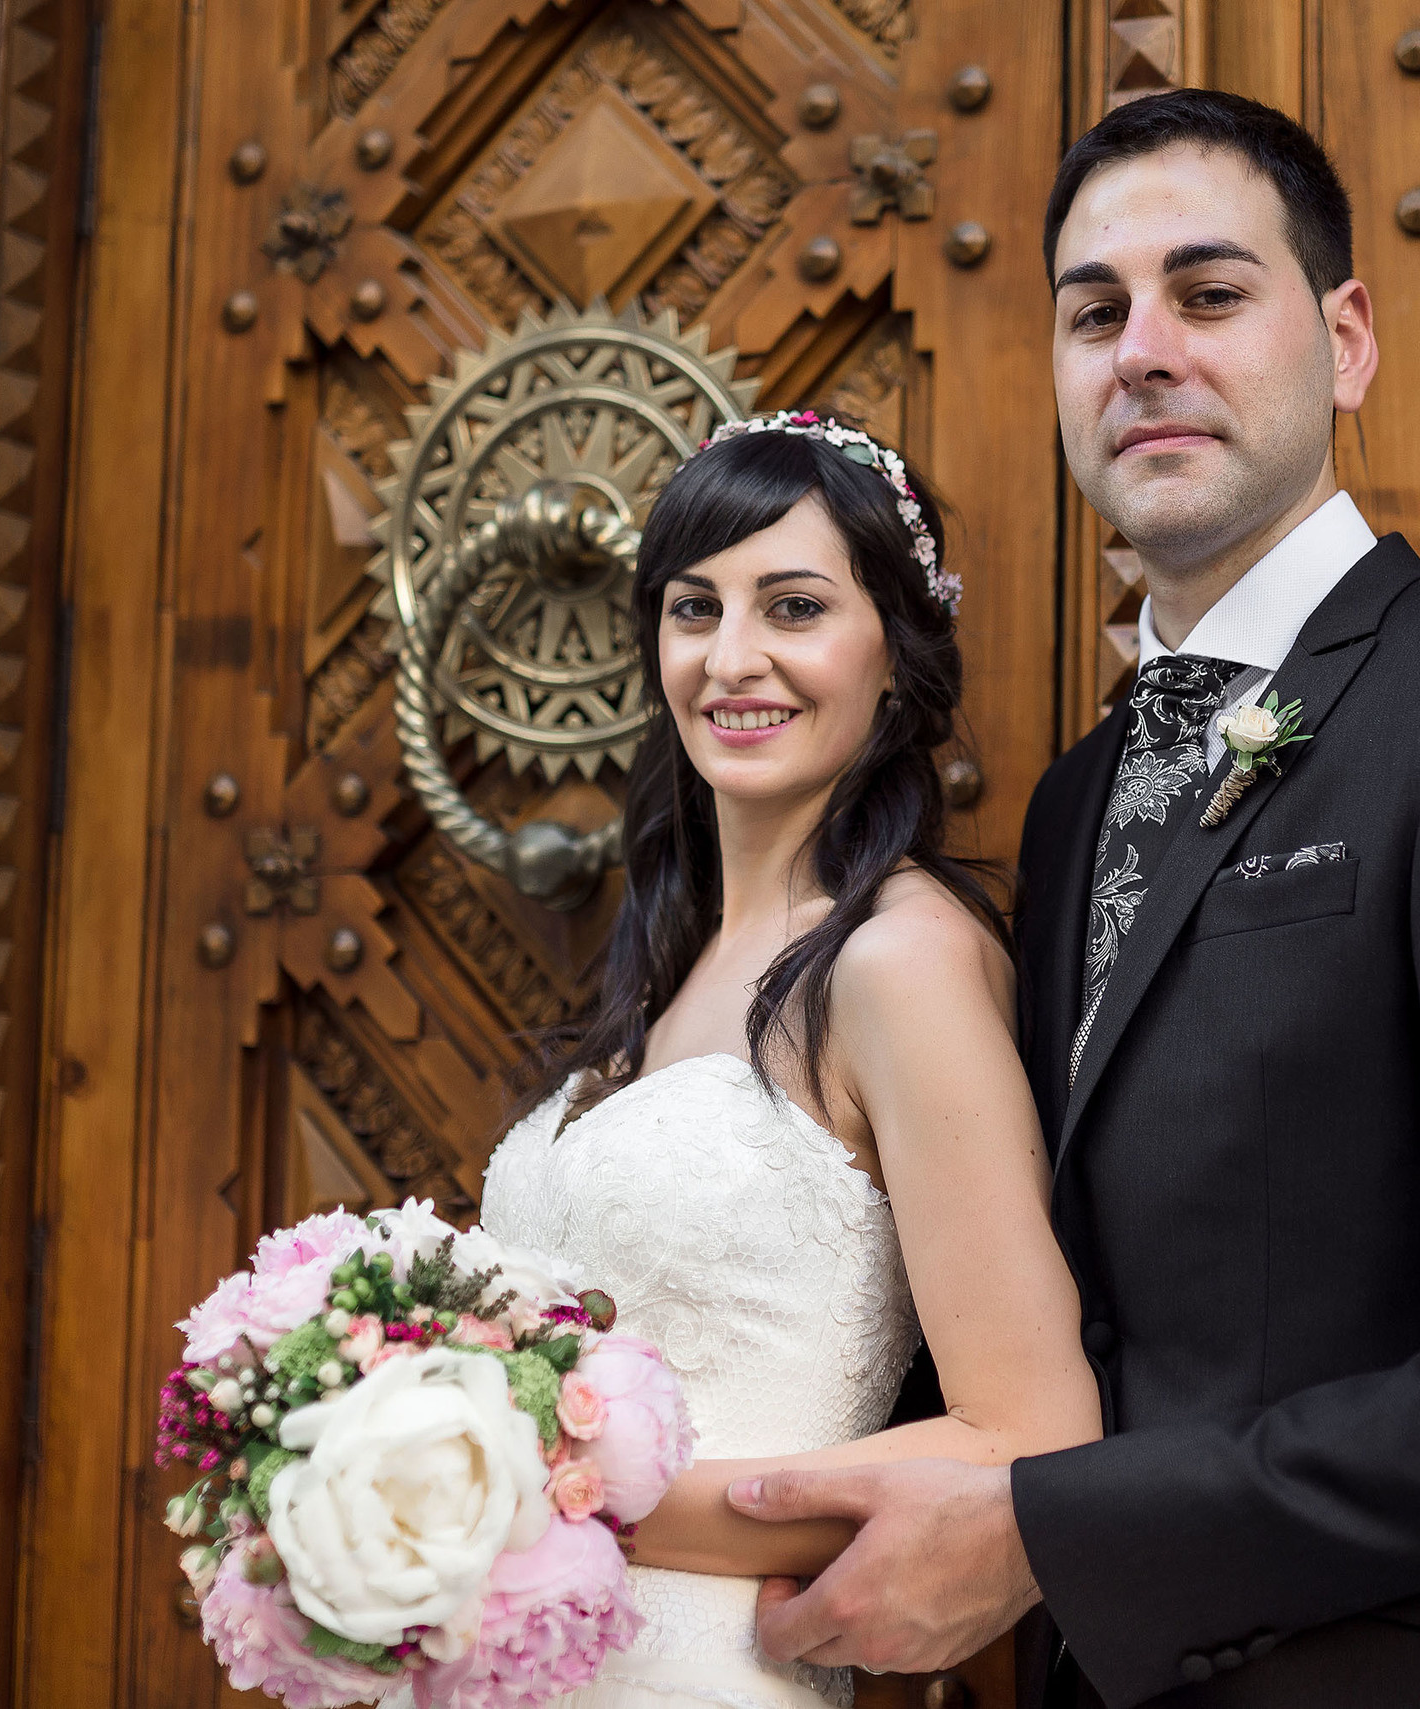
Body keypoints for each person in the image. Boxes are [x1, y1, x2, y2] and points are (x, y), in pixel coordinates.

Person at [727, 90, 1420, 1708]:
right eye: (1093, 311)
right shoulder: (1076, 799)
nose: (1142, 350)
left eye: (1208, 295)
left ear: (1344, 341)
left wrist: (1067, 1532)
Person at [476, 411, 1103, 1708]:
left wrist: (520, 1490)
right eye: (695, 608)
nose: (733, 657)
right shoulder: (680, 956)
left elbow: (1026, 1438)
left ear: (896, 654)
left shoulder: (899, 962)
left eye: (795, 605)